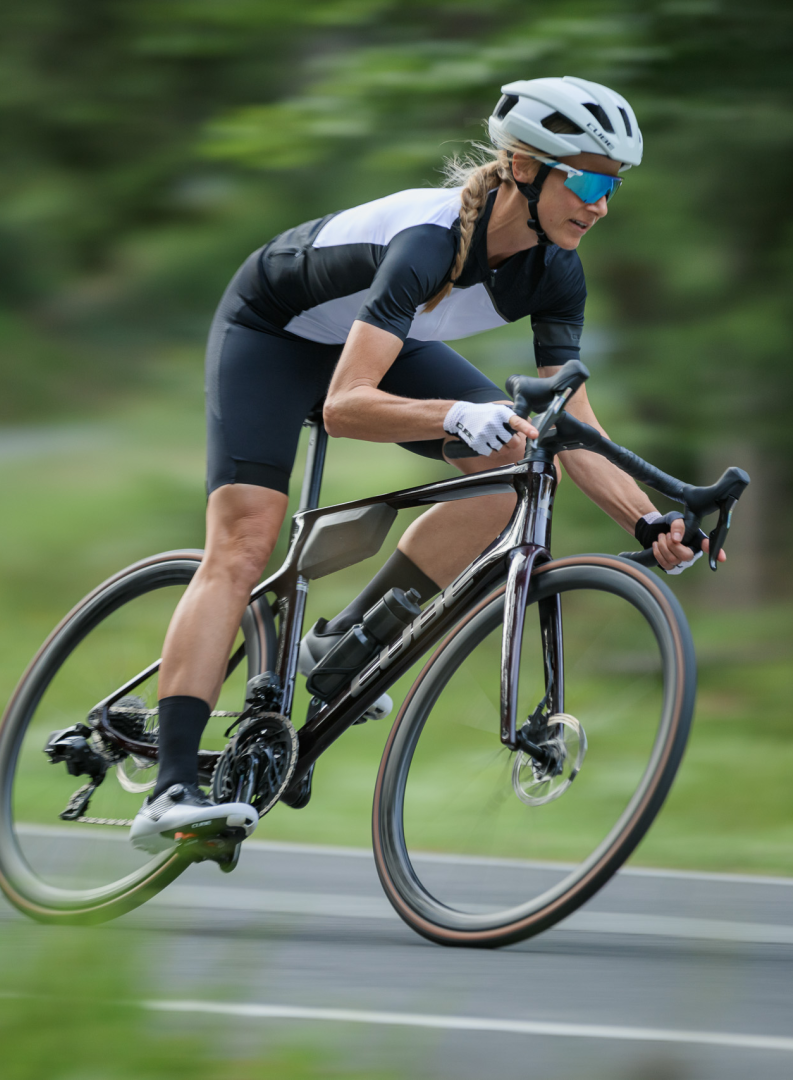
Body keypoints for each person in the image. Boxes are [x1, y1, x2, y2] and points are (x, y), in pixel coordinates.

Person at [130, 76, 722, 853]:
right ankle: (171, 790)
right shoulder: (429, 241)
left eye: (611, 184)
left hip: (374, 344)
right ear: (522, 166)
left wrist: (648, 518)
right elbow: (346, 405)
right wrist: (451, 415)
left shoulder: (554, 271)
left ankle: (343, 648)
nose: (601, 202)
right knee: (243, 545)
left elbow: (570, 422)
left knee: (514, 457)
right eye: (584, 177)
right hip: (273, 336)